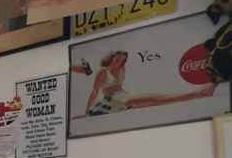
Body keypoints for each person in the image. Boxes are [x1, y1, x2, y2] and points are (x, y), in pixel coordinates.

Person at [77, 50, 218, 118]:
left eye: (121, 60)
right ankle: (198, 93)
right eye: (116, 58)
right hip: (112, 101)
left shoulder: (122, 70)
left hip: (123, 96)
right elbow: (95, 91)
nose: (118, 62)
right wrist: (86, 112)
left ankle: (199, 93)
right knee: (155, 99)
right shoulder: (103, 70)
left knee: (156, 101)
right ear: (112, 57)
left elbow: (119, 86)